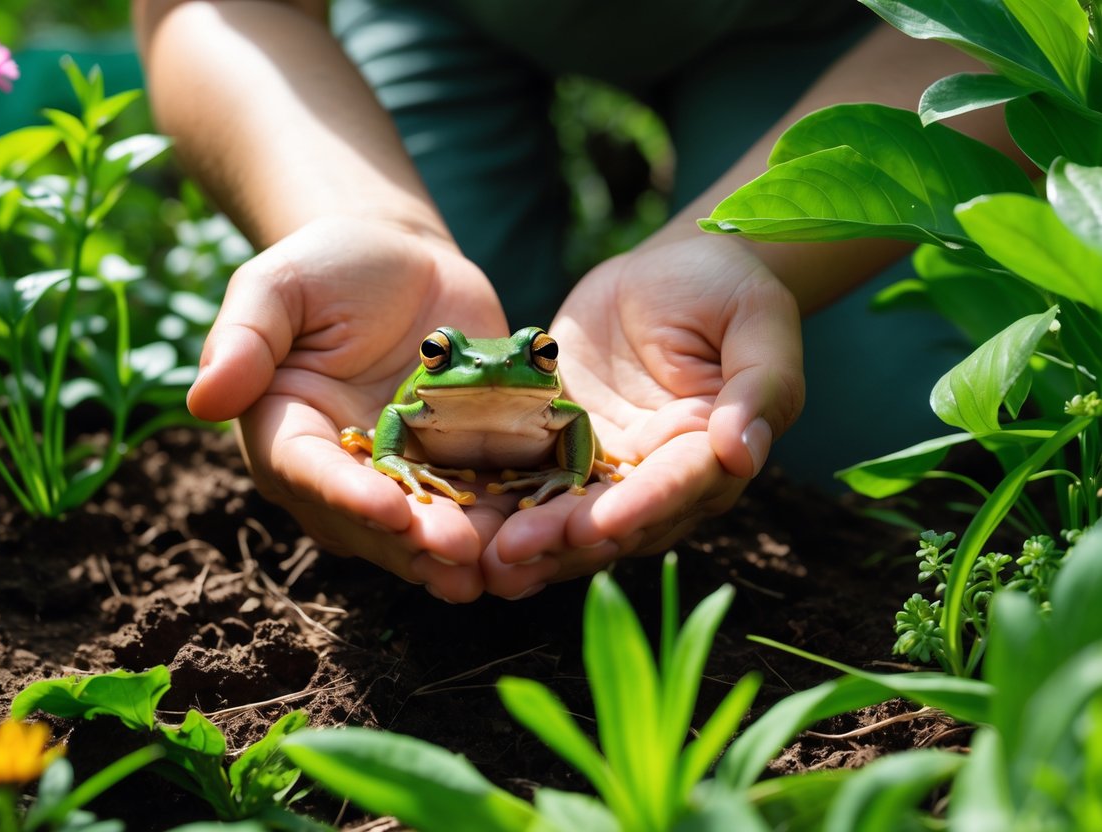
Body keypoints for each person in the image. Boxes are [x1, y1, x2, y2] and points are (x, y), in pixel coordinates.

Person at [130, 0, 1021, 602]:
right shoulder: (420, 387)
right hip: (448, 11)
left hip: (834, 25)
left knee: (875, 439)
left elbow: (1019, 19)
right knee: (407, 319)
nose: (448, 363)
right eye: (437, 358)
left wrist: (739, 247)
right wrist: (363, 219)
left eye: (543, 361)